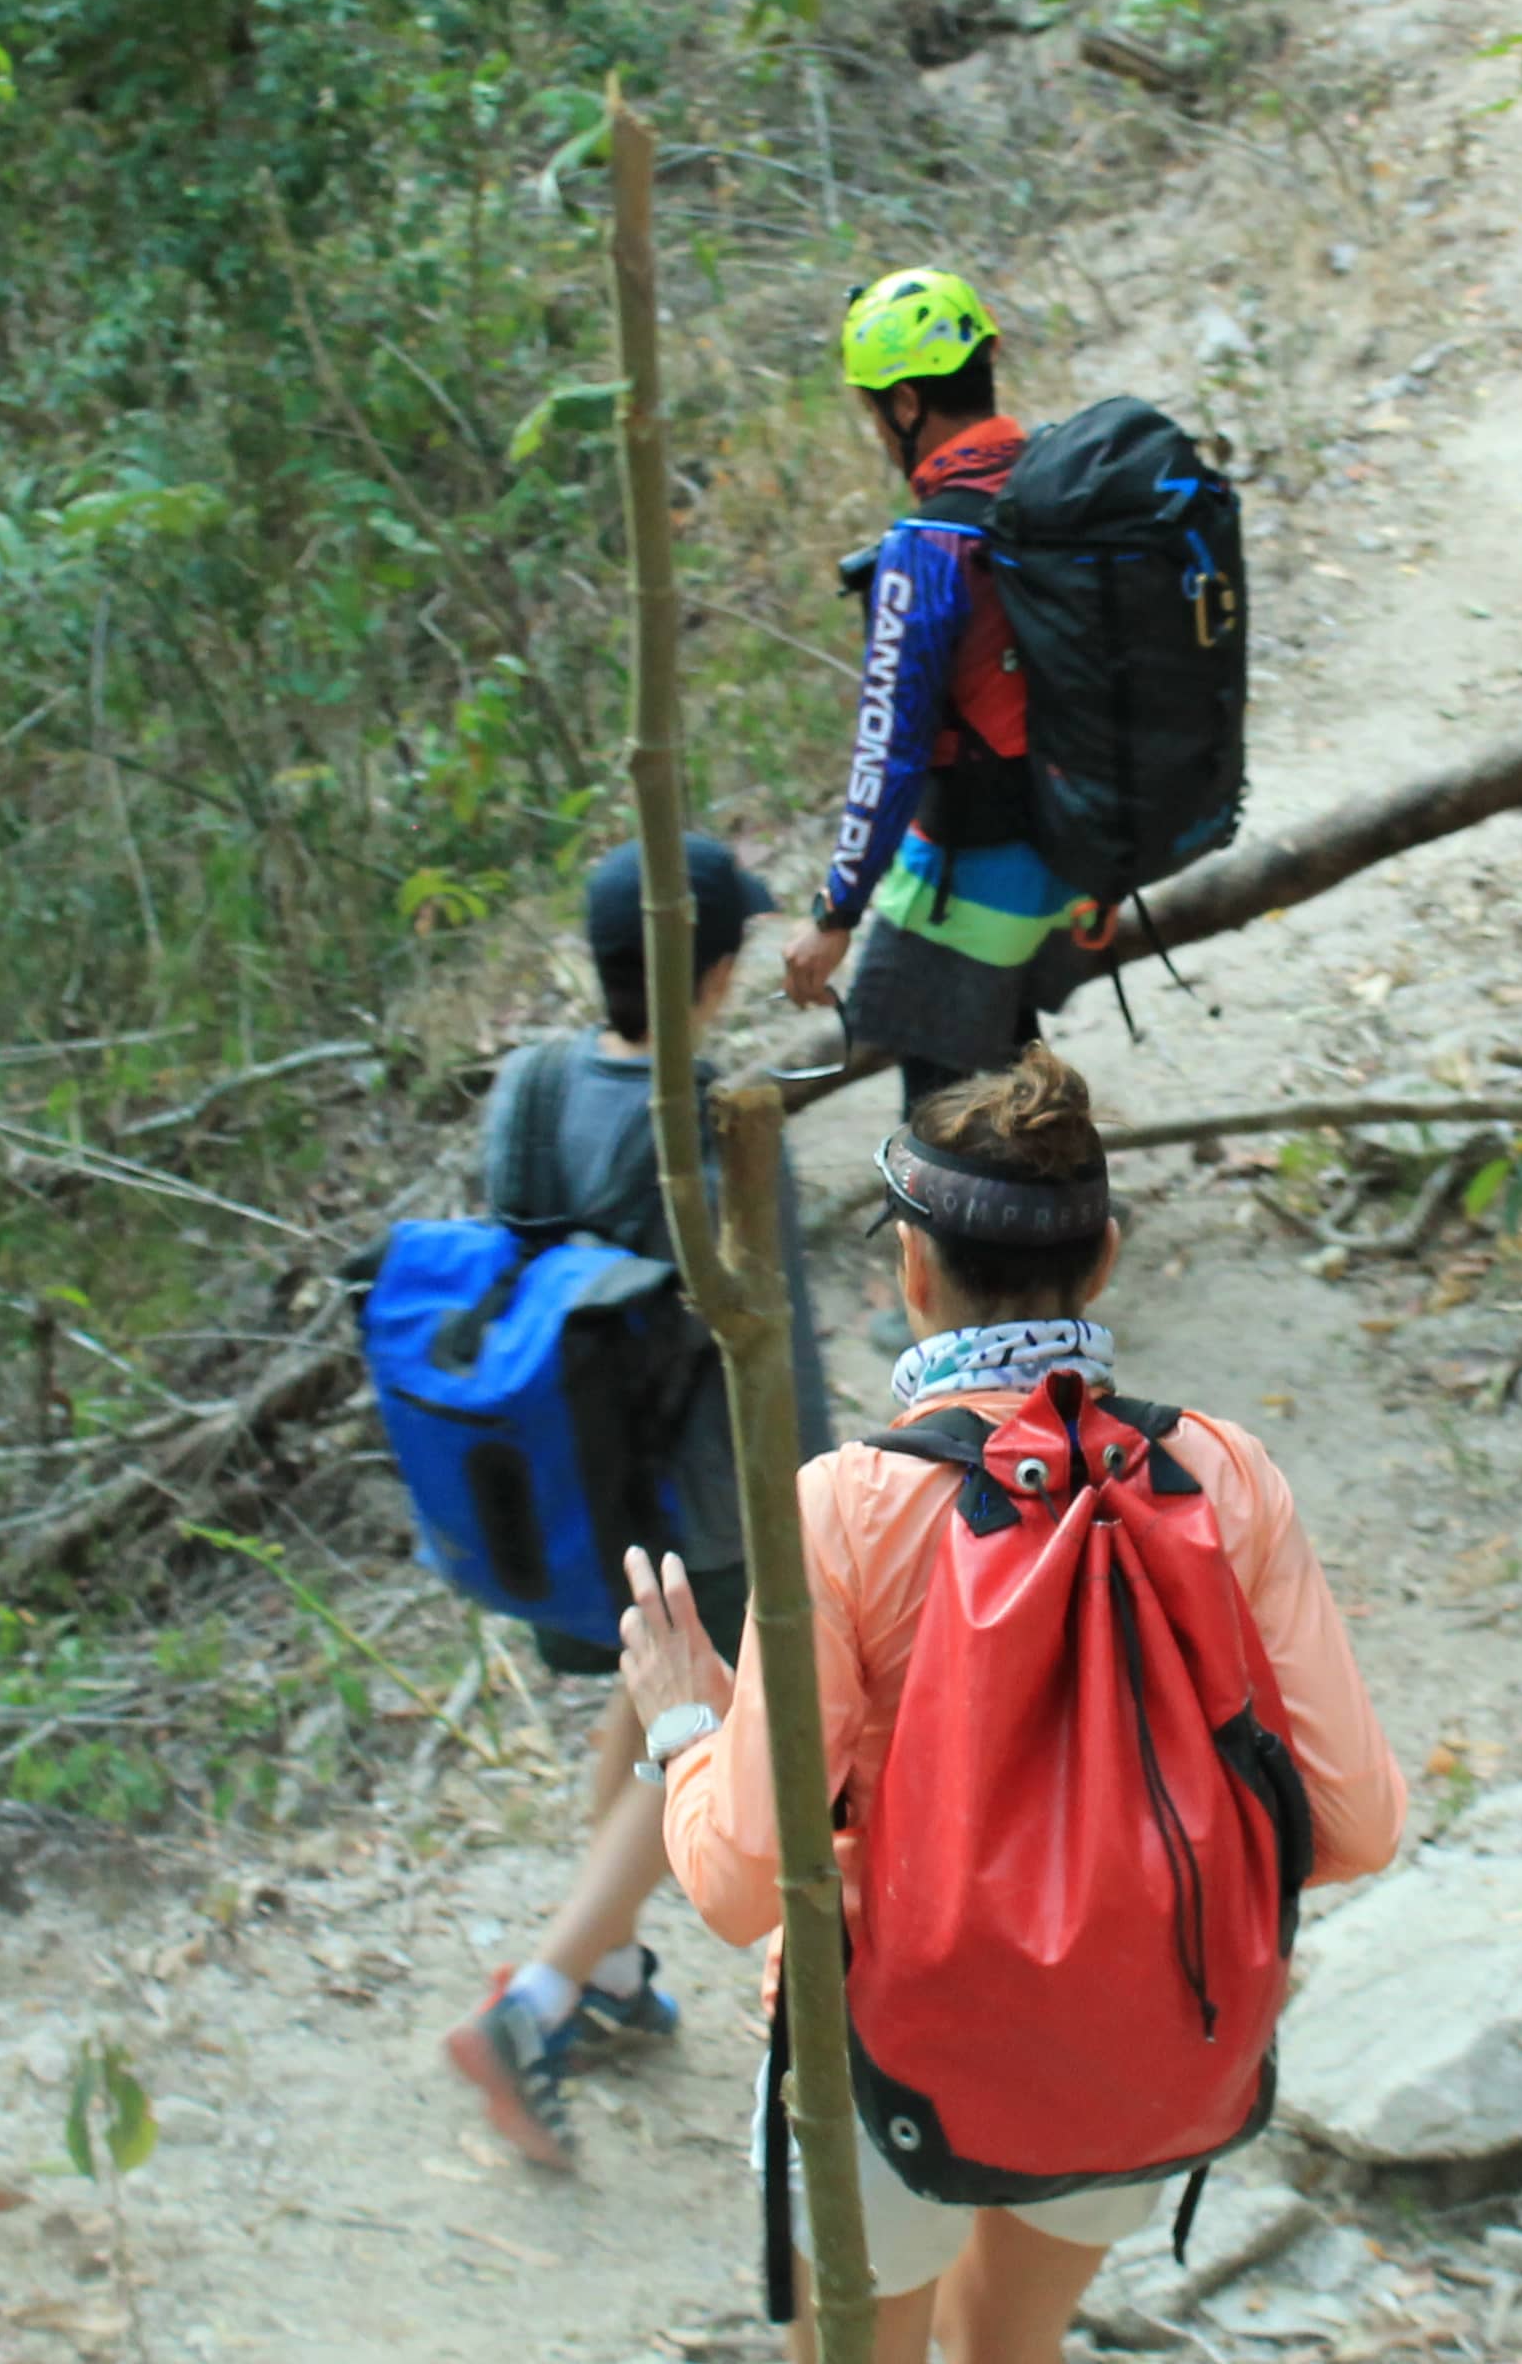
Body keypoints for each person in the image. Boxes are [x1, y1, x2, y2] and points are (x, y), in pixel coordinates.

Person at [615, 1043, 1409, 2364]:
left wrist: (686, 1728)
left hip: (886, 2070)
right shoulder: (1222, 1477)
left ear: (911, 1274)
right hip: (1154, 2039)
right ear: (1102, 1264)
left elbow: (746, 1886)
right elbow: (1360, 1824)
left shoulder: (848, 1509)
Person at [442, 833, 838, 2170]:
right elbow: (772, 1344)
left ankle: (604, 1980)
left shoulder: (536, 1084)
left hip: (577, 1480)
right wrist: (826, 1516)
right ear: (717, 973)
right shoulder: (723, 1122)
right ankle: (537, 2001)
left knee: (640, 1694)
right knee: (710, 1747)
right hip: (712, 1498)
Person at [776, 269, 1108, 1120]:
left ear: (909, 404)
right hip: (1073, 845)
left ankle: (1010, 1243)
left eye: (872, 411)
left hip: (974, 866)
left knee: (947, 1125)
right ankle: (1066, 1226)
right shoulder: (1058, 487)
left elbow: (890, 746)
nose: (878, 434)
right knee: (1010, 1074)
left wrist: (834, 910)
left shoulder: (927, 548)